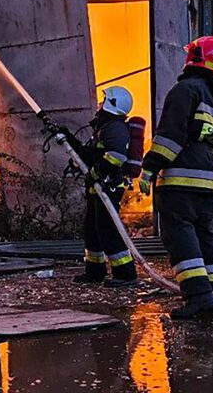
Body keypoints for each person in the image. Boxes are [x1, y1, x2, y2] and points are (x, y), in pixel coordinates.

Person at [138, 36, 213, 319]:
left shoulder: (185, 90)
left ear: (196, 57)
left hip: (181, 180)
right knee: (205, 235)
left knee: (180, 234)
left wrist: (150, 167)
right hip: (207, 180)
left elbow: (171, 137)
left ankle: (199, 297)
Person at [73, 86, 138, 288]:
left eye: (104, 101)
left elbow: (117, 156)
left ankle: (125, 274)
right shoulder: (104, 127)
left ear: (111, 104)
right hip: (98, 187)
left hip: (108, 187)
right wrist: (67, 138)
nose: (99, 104)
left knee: (108, 229)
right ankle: (94, 271)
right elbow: (89, 155)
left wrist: (94, 174)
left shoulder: (115, 128)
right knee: (93, 230)